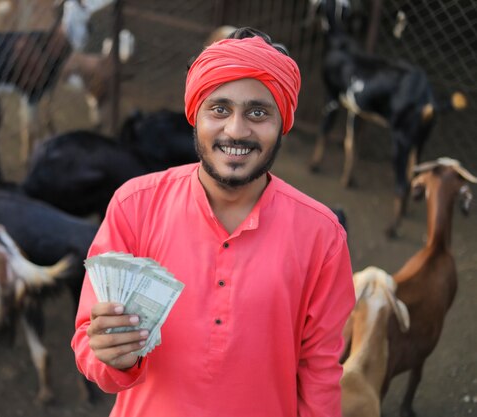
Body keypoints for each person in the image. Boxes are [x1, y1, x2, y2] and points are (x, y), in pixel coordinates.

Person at [71, 27, 355, 417]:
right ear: (195, 116)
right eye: (219, 109)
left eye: (258, 112)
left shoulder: (322, 236)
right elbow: (90, 348)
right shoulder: (135, 206)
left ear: (282, 122)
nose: (236, 130)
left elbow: (321, 375)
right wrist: (112, 356)